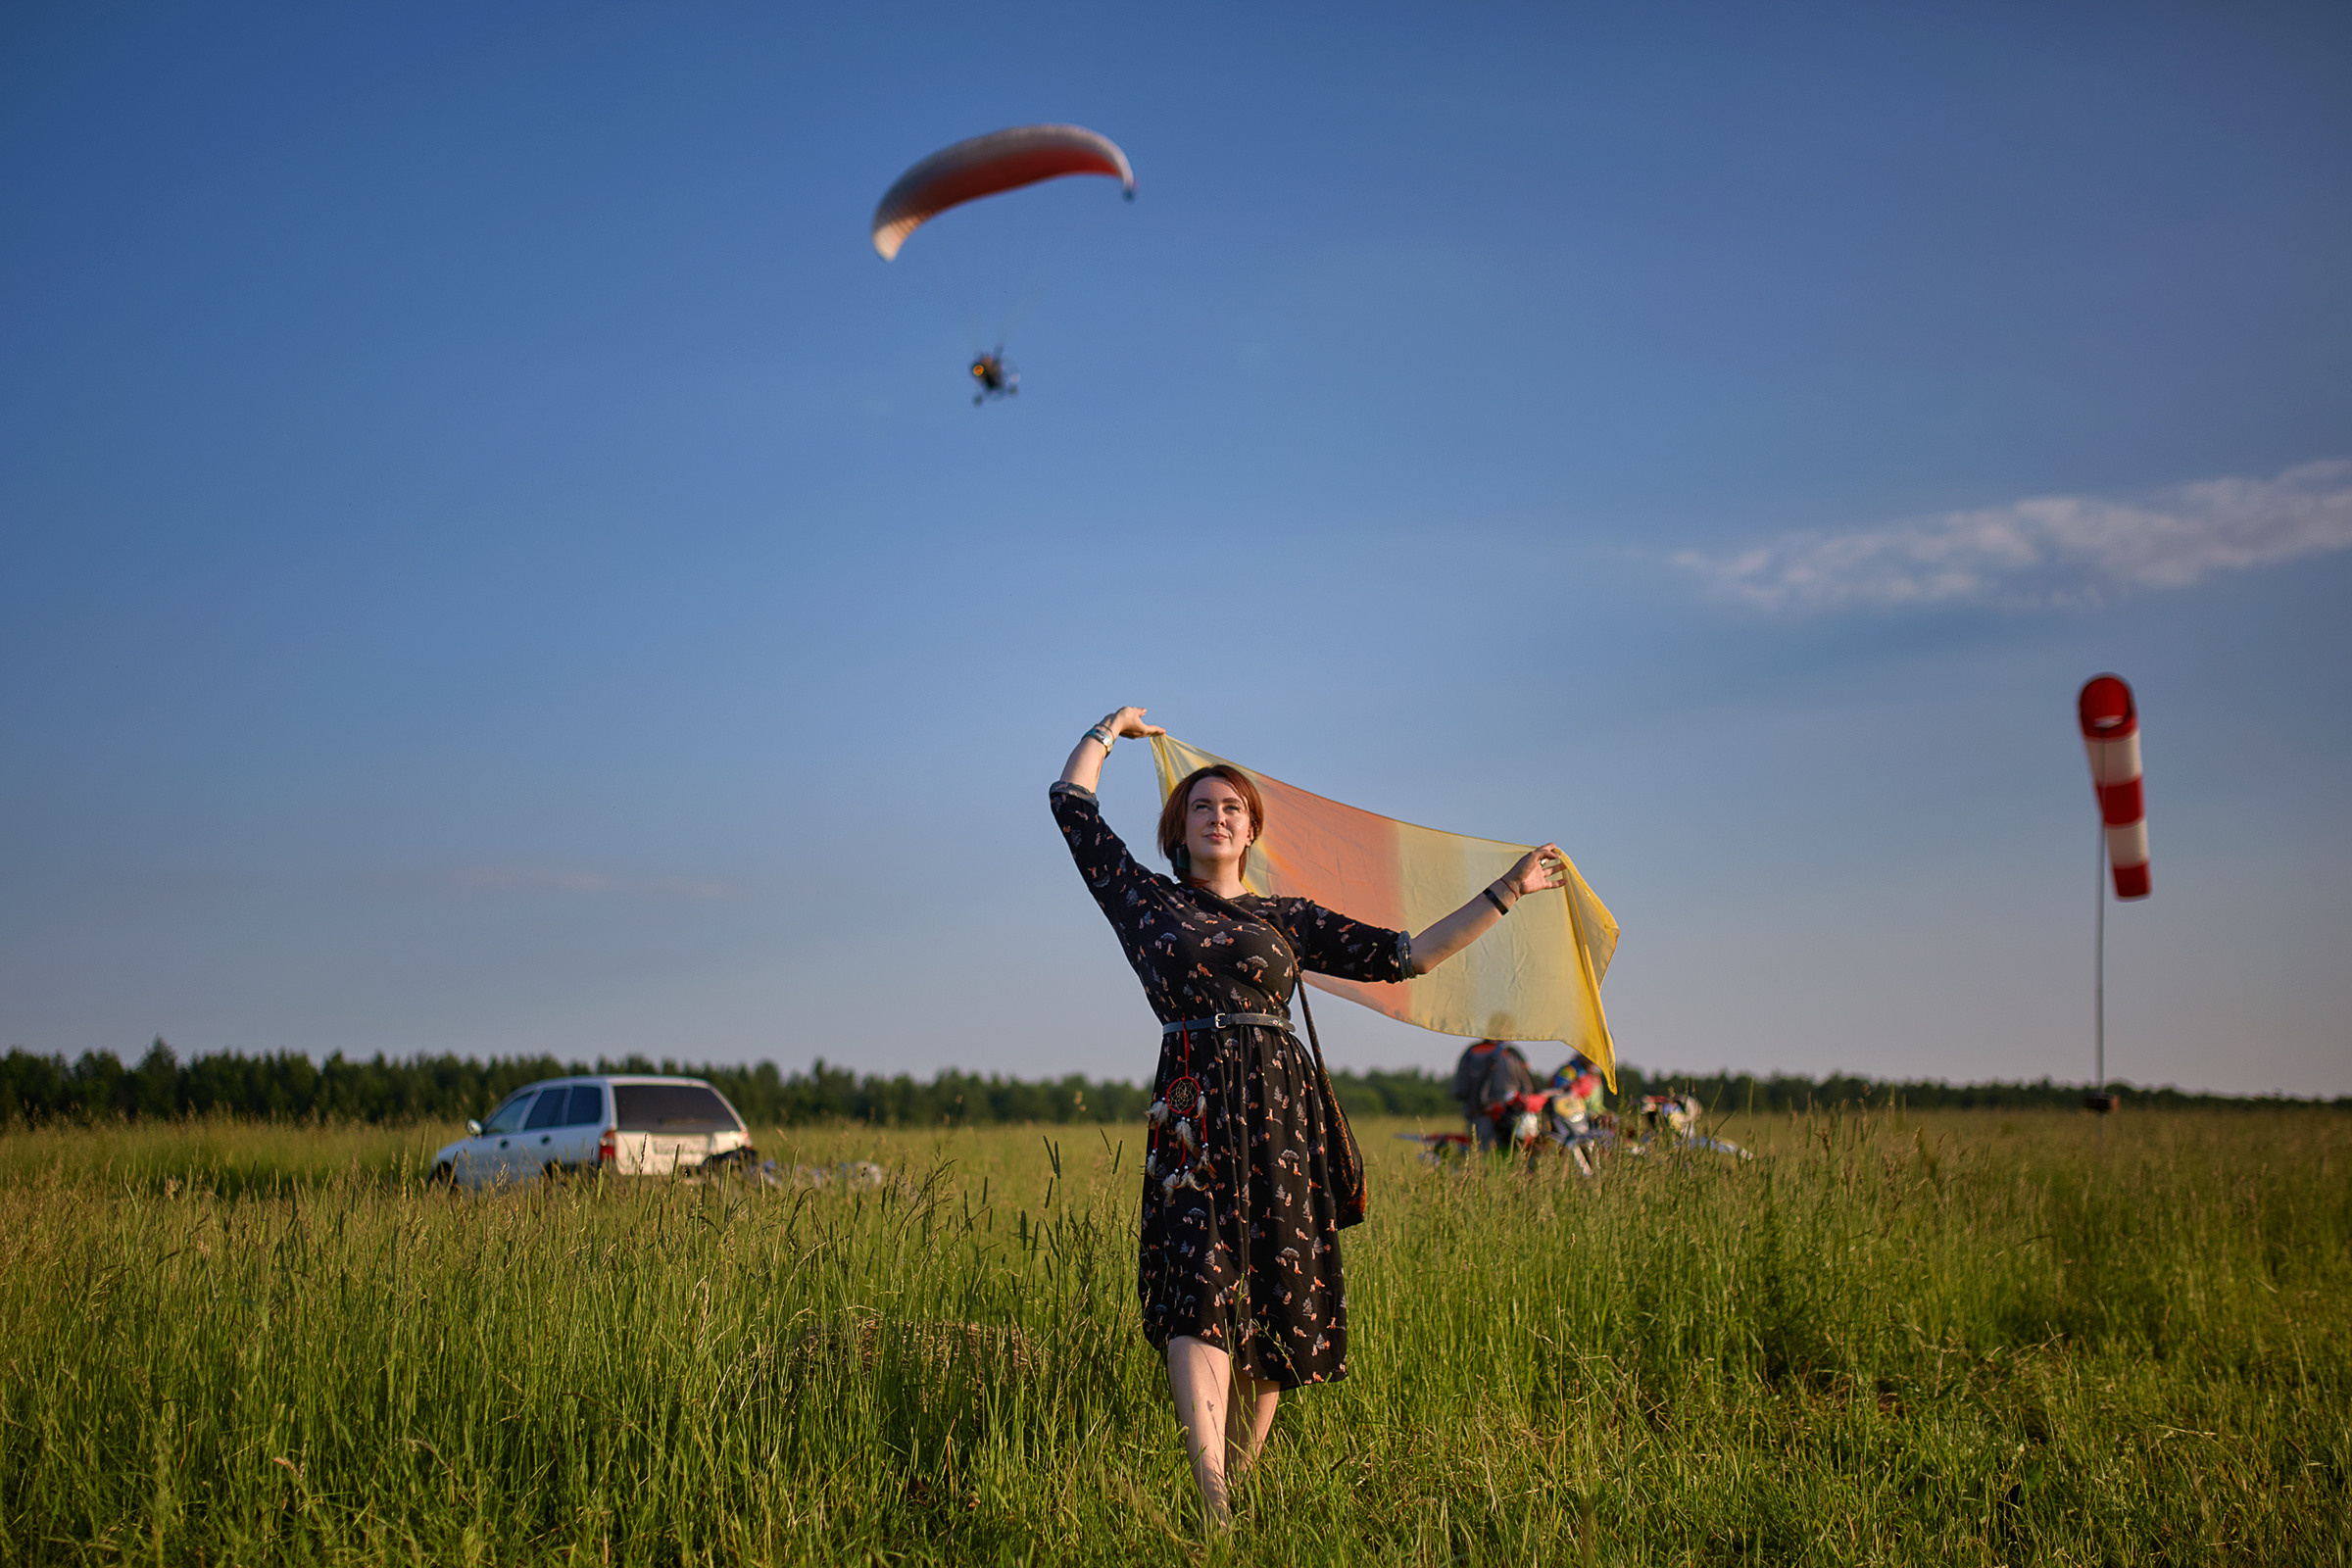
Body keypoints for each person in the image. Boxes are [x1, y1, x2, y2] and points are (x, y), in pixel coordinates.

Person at [1052, 706, 1572, 1529]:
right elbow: (1072, 810)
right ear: (1177, 830)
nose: (1218, 816)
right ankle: (1213, 1499)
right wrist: (1106, 732)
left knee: (1279, 1295)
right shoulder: (1144, 901)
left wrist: (1509, 889)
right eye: (1201, 806)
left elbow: (1407, 955)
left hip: (1282, 1115)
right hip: (1192, 1108)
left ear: (1250, 831)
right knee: (1197, 1290)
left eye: (1233, 808)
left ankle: (1242, 1485)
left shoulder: (1285, 919)